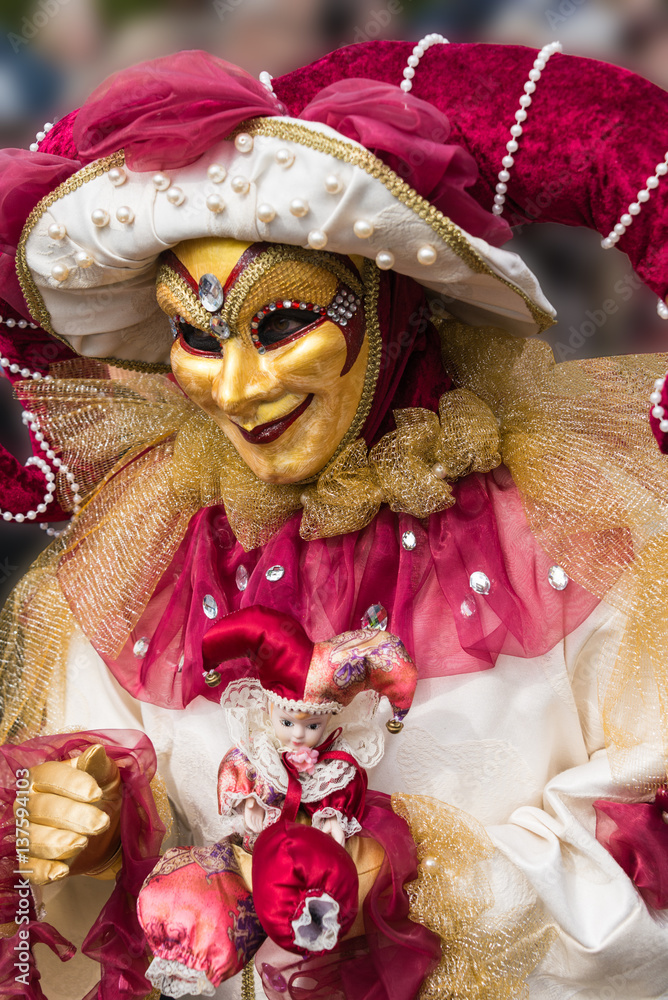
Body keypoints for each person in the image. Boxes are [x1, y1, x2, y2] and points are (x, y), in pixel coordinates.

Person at [1, 34, 668, 1000]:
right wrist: (97, 822)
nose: (233, 387)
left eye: (280, 324)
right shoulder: (148, 553)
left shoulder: (580, 534)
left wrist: (412, 888)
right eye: (196, 336)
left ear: (395, 301)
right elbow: (117, 839)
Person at [137, 605, 441, 999]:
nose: (298, 735)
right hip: (254, 854)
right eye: (287, 723)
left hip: (308, 869)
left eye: (311, 726)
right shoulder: (256, 752)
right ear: (268, 711)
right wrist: (249, 805)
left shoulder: (335, 767)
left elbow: (338, 804)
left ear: (329, 720)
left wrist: (332, 824)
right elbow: (237, 775)